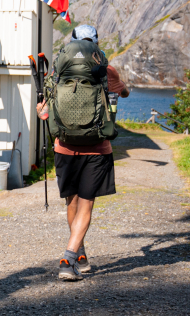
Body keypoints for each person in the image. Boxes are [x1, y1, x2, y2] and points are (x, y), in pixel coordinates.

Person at [37, 24, 129, 281]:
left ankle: (80, 254)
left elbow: (44, 110)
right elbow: (122, 92)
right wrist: (122, 89)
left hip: (64, 147)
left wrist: (41, 111)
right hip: (97, 149)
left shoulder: (58, 70)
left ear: (72, 43)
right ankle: (68, 257)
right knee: (86, 204)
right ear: (96, 43)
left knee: (72, 201)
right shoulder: (106, 69)